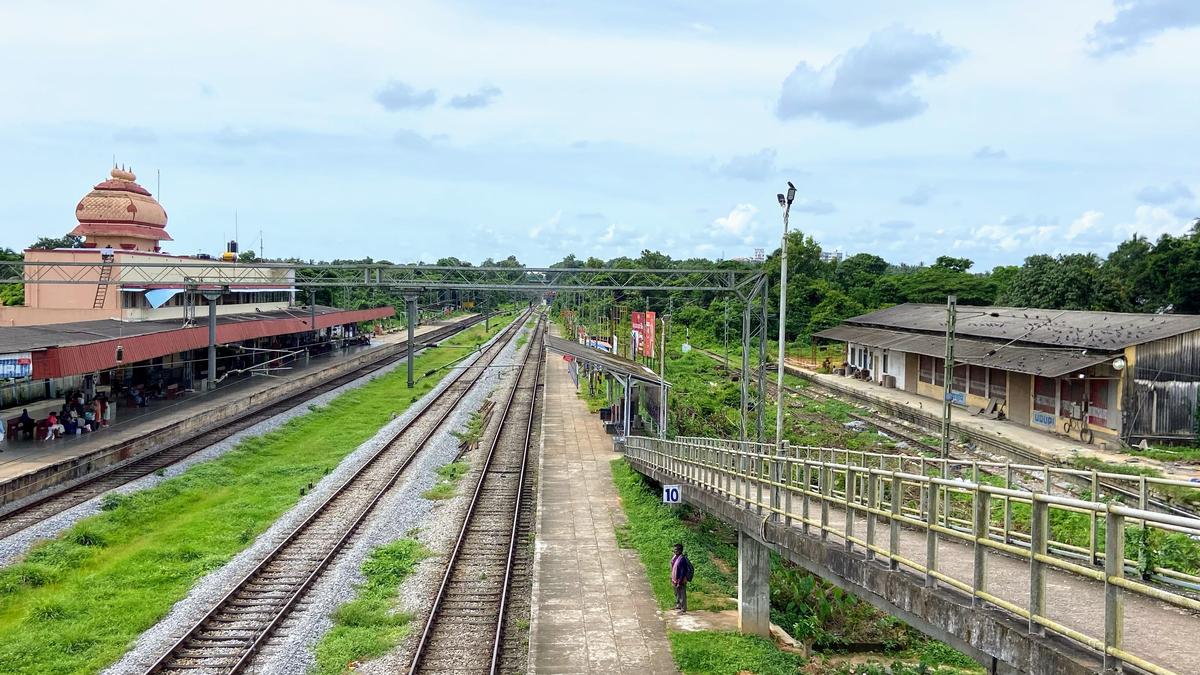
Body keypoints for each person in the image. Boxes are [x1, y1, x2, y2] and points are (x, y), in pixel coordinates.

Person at [670, 543, 694, 613]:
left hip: (681, 579)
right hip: (675, 578)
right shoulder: (675, 557)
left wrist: (680, 581)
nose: (674, 551)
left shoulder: (682, 559)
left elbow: (682, 571)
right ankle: (678, 605)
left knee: (682, 594)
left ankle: (683, 608)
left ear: (679, 550)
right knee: (677, 593)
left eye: (675, 550)